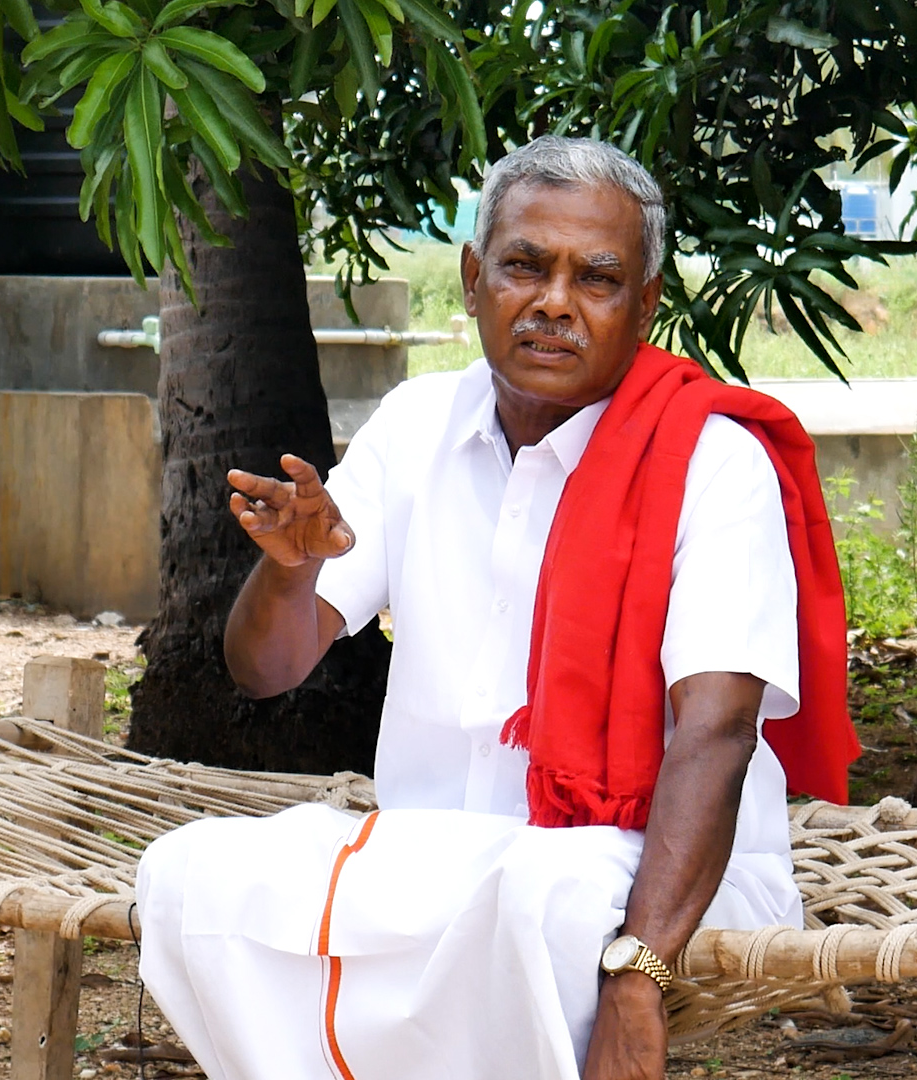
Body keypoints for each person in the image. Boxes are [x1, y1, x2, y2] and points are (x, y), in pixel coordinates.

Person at [134, 135, 858, 1080]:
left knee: (537, 901)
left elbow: (716, 734)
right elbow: (264, 669)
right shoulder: (416, 424)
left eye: (596, 278)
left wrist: (638, 979)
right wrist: (289, 572)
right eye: (525, 265)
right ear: (475, 279)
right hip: (438, 863)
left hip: (645, 879)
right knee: (197, 874)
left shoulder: (714, 465)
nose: (555, 301)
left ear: (645, 303)